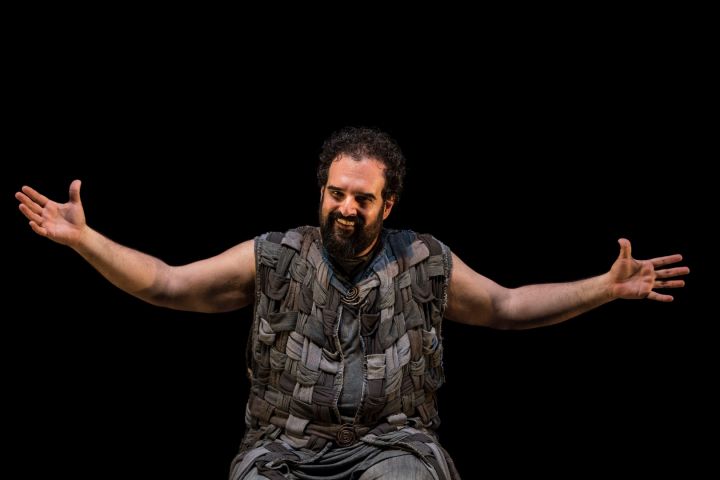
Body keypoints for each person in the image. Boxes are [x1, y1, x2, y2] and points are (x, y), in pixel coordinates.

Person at [15, 126, 689, 480]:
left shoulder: (423, 260)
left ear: (387, 204)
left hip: (391, 447)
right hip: (281, 452)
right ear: (322, 192)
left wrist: (603, 287)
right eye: (336, 193)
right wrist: (86, 240)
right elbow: (165, 282)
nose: (345, 206)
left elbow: (508, 305)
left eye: (362, 197)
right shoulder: (274, 256)